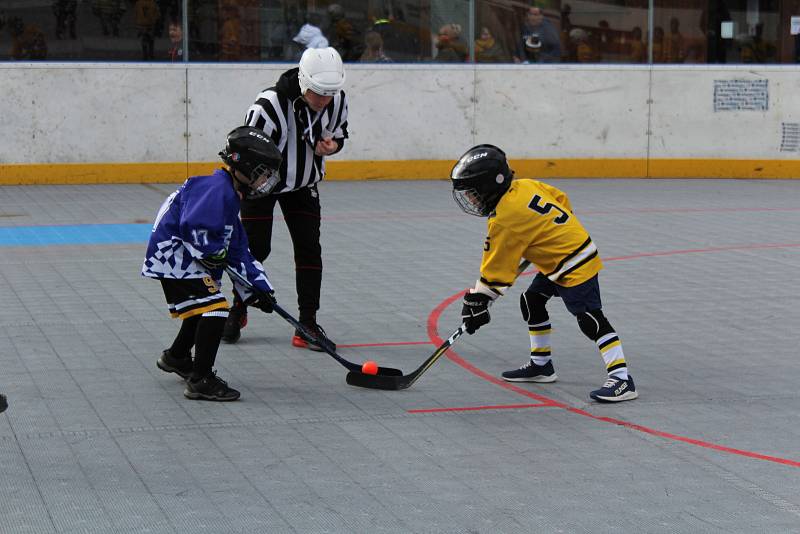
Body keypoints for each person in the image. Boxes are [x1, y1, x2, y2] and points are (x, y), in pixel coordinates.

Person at [451, 144, 638, 403]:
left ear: (489, 186)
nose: (471, 200)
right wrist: (545, 236)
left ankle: (622, 379)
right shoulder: (525, 186)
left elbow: (496, 270)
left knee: (589, 318)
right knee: (532, 300)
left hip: (575, 262)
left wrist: (478, 300)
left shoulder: (505, 218)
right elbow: (561, 199)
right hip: (563, 255)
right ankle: (541, 365)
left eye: (473, 193)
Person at [142, 126, 282, 401]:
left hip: (181, 257)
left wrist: (259, 288)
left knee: (201, 308)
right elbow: (194, 228)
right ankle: (201, 380)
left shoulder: (228, 194)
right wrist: (212, 252)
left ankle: (177, 357)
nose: (266, 178)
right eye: (262, 171)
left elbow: (239, 249)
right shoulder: (217, 190)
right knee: (215, 309)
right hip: (173, 258)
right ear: (245, 166)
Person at [223, 47, 348, 352]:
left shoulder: (337, 99)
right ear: (304, 82)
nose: (325, 100)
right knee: (255, 250)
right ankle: (238, 308)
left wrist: (332, 147)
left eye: (330, 93)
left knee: (309, 250)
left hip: (303, 185)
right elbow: (243, 148)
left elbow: (339, 133)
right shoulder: (268, 106)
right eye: (319, 94)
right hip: (259, 186)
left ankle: (307, 323)